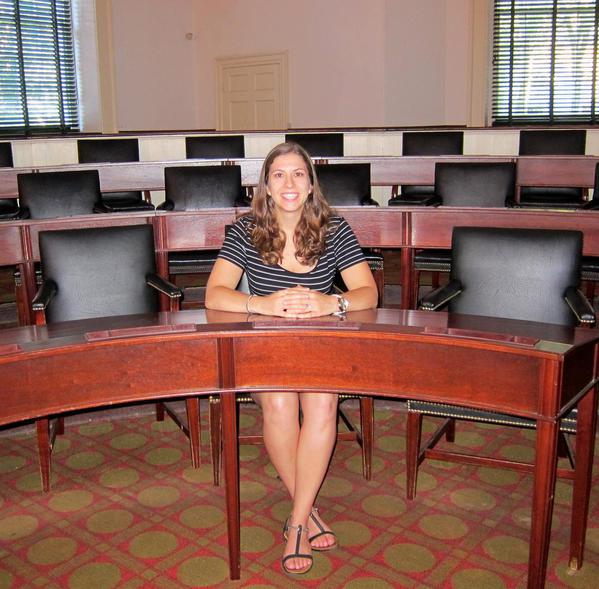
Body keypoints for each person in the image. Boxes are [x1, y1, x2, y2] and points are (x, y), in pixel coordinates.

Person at [205, 142, 378, 574]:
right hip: (265, 343)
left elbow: (368, 292)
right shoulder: (245, 232)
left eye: (298, 174)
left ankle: (298, 521)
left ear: (310, 183)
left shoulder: (335, 230)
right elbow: (215, 294)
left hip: (321, 341)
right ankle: (309, 511)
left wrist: (330, 304)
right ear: (265, 184)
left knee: (322, 404)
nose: (289, 183)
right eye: (279, 174)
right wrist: (260, 304)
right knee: (280, 405)